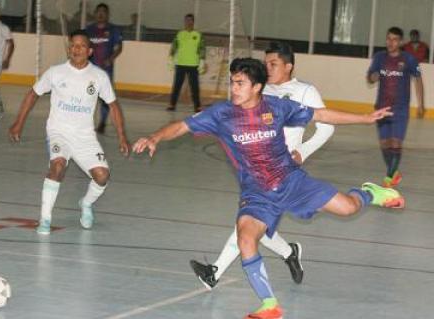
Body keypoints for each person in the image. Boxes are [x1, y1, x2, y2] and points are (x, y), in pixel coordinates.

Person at [133, 57, 404, 319]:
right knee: (246, 238)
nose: (233, 89)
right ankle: (269, 304)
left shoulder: (276, 107)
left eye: (240, 83)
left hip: (292, 181)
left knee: (348, 208)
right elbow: (182, 126)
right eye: (232, 82)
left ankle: (371, 192)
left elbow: (319, 114)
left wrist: (366, 118)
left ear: (257, 87)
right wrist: (155, 136)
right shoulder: (221, 114)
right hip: (257, 193)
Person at [189, 41, 335, 289]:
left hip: (284, 171)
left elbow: (327, 127)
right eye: (265, 63)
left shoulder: (304, 91)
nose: (267, 68)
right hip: (256, 170)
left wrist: (302, 151)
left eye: (273, 64)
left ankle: (215, 272)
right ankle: (289, 252)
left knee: (248, 224)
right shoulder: (261, 90)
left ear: (288, 66)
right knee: (254, 225)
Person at [8, 29, 129, 235]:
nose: (77, 49)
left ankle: (86, 203)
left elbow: (114, 106)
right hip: (59, 132)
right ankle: (45, 219)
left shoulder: (99, 77)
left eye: (82, 46)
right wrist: (18, 123)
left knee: (102, 176)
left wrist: (122, 136)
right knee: (57, 166)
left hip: (84, 136)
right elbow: (32, 95)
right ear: (69, 48)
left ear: (90, 51)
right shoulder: (55, 72)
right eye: (73, 45)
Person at [367, 27, 425, 188]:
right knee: (385, 144)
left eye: (394, 39)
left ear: (400, 42)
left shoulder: (409, 59)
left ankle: (388, 179)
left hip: (400, 109)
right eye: (388, 39)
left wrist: (421, 104)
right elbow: (370, 78)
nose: (390, 42)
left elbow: (418, 80)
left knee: (396, 143)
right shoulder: (379, 57)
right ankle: (394, 172)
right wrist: (373, 76)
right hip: (381, 108)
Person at [85, 3, 123, 134]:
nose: (100, 14)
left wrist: (111, 59)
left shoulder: (113, 30)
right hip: (89, 69)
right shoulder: (88, 30)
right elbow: (82, 45)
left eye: (103, 12)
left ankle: (102, 123)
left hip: (106, 71)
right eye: (98, 11)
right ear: (95, 13)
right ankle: (86, 122)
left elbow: (119, 47)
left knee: (105, 98)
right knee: (88, 96)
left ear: (107, 14)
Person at [167, 13, 206, 113]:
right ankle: (172, 104)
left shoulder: (198, 35)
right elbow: (174, 46)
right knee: (177, 85)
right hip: (180, 63)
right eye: (186, 20)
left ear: (193, 22)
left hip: (193, 64)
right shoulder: (180, 34)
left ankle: (197, 106)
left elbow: (202, 48)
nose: (188, 22)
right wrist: (170, 58)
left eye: (190, 20)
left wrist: (202, 60)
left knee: (195, 87)